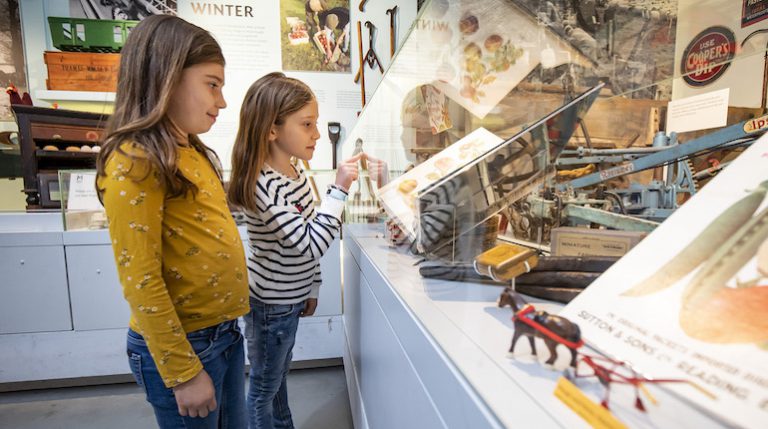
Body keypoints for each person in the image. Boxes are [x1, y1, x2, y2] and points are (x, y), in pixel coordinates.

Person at [96, 15, 248, 428]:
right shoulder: (135, 160)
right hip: (185, 349)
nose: (222, 101)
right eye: (212, 84)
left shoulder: (195, 153)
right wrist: (183, 372)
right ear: (166, 77)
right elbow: (140, 279)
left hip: (225, 334)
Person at [227, 72, 360, 429]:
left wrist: (312, 286)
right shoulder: (263, 185)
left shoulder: (294, 170)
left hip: (289, 299)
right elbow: (311, 242)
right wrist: (340, 190)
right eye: (307, 124)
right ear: (273, 129)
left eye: (315, 123)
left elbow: (309, 228)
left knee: (277, 380)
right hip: (270, 305)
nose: (317, 133)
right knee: (264, 389)